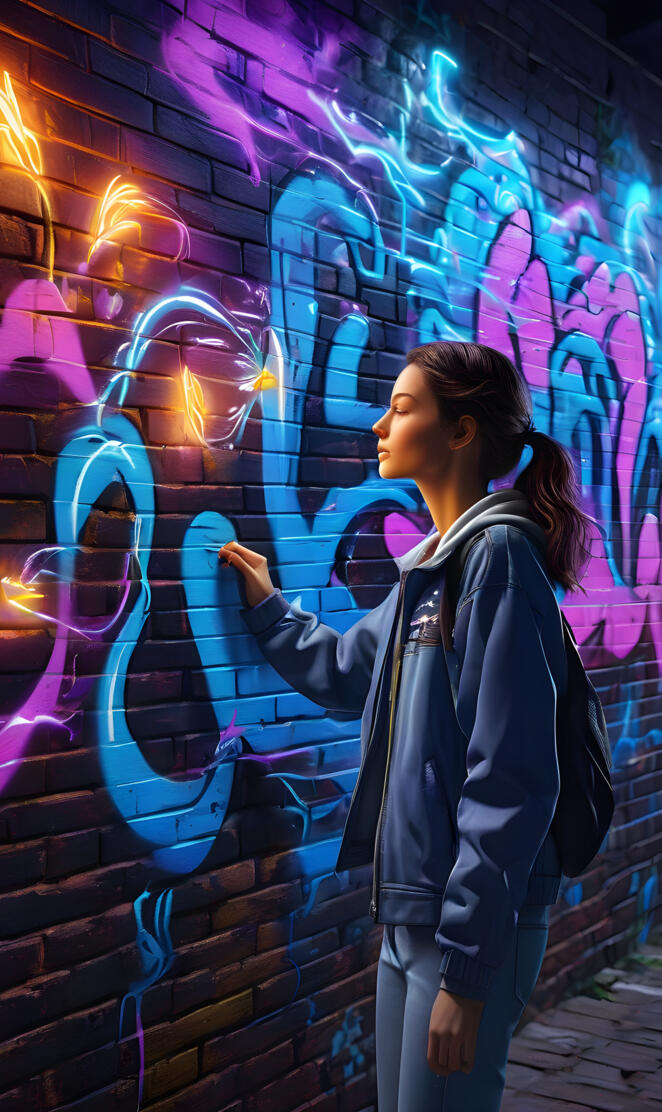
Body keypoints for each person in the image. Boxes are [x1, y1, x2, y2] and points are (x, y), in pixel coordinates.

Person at [219, 341, 594, 1111]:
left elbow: (511, 777)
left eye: (400, 407)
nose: (379, 427)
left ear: (459, 432)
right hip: (415, 913)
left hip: (467, 929)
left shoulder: (498, 562)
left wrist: (467, 971)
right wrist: (264, 603)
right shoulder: (433, 568)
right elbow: (346, 671)